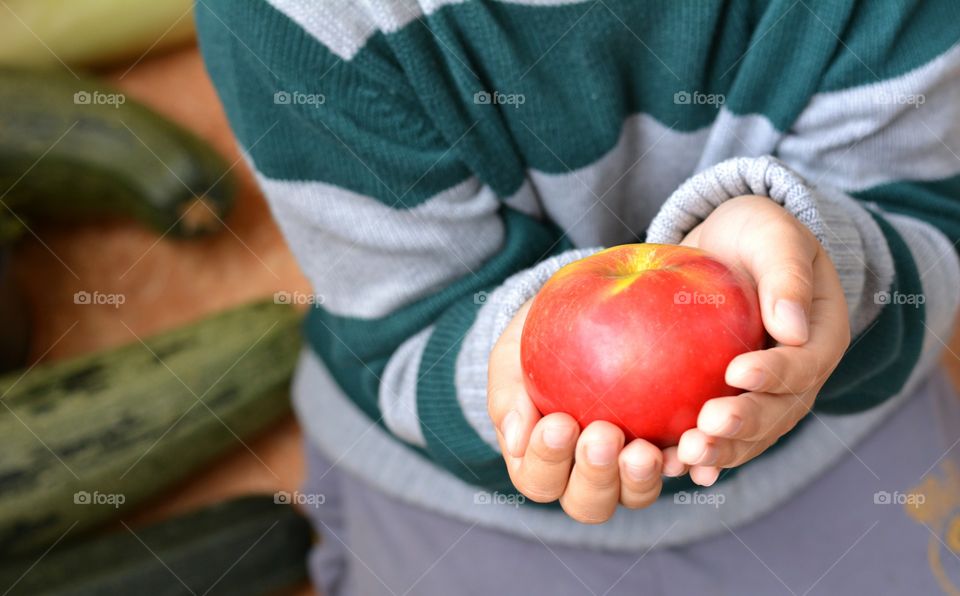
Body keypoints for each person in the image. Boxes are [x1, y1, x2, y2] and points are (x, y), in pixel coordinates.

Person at [196, 1, 960, 594]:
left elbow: (922, 225)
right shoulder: (298, 20)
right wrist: (519, 370)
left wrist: (824, 273)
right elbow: (406, 330)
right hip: (455, 466)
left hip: (834, 415)